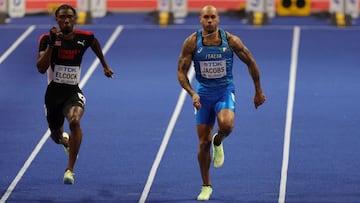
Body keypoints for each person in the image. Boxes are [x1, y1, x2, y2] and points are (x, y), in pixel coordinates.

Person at [177, 5, 266, 201]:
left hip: (224, 91)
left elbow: (250, 61)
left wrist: (258, 91)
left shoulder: (231, 41)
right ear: (200, 19)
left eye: (213, 17)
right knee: (202, 144)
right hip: (203, 94)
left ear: (218, 19)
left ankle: (219, 141)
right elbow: (181, 72)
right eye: (205, 17)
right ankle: (206, 186)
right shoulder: (192, 42)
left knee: (226, 125)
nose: (209, 21)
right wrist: (192, 92)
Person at [36, 4, 114, 185]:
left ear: (74, 19)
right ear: (57, 20)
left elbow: (94, 43)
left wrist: (104, 65)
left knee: (75, 121)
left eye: (70, 17)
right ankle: (65, 141)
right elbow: (40, 68)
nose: (66, 20)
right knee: (56, 136)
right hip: (53, 94)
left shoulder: (84, 37)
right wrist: (52, 45)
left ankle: (69, 170)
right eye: (62, 17)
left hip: (72, 91)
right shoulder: (47, 39)